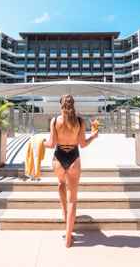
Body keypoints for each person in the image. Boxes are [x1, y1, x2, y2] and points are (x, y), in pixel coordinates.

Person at [43, 94, 98, 248]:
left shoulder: (55, 121)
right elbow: (83, 144)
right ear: (73, 105)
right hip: (74, 157)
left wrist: (40, 142)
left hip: (58, 158)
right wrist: (93, 136)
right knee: (72, 199)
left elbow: (52, 144)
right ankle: (68, 238)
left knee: (61, 184)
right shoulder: (79, 121)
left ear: (60, 105)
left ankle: (65, 214)